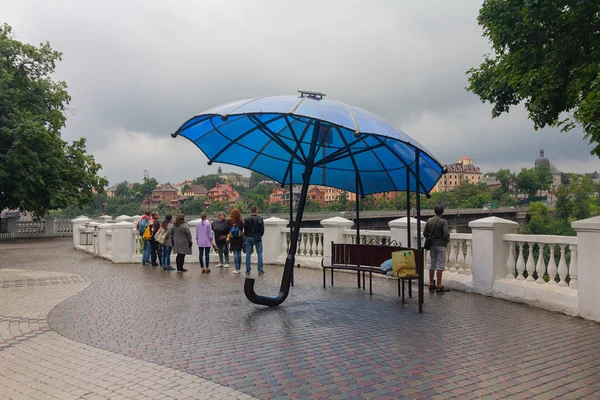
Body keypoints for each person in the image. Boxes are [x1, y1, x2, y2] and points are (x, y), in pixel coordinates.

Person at [423, 205, 451, 292]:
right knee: (440, 265)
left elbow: (425, 234)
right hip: (441, 245)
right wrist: (446, 240)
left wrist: (431, 237)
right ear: (442, 212)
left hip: (432, 245)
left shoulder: (429, 221)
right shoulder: (443, 222)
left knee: (432, 264)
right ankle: (439, 285)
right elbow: (446, 234)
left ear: (434, 211)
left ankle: (431, 284)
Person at [244, 205, 265, 275]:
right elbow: (262, 230)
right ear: (256, 210)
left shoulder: (247, 219)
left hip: (249, 237)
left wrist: (247, 235)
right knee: (259, 254)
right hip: (258, 237)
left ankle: (248, 269)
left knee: (248, 254)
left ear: (251, 211)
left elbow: (245, 229)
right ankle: (260, 269)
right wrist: (259, 235)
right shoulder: (260, 218)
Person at [228, 208, 244, 274]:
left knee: (235, 253)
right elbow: (242, 229)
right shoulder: (240, 221)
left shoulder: (229, 221)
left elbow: (228, 229)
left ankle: (236, 269)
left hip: (233, 239)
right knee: (239, 253)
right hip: (239, 239)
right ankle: (239, 269)